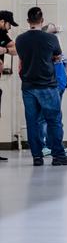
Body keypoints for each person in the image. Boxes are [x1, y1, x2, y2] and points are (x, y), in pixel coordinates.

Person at [14, 7, 67, 167]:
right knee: (54, 121)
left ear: (28, 21)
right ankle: (58, 156)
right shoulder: (51, 38)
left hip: (28, 87)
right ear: (42, 20)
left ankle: (37, 157)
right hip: (47, 85)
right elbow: (57, 57)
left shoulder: (20, 39)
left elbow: (22, 59)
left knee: (32, 122)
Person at [0, 10, 16, 162]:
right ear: (2, 21)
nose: (10, 27)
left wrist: (5, 50)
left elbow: (16, 50)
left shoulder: (2, 35)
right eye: (9, 24)